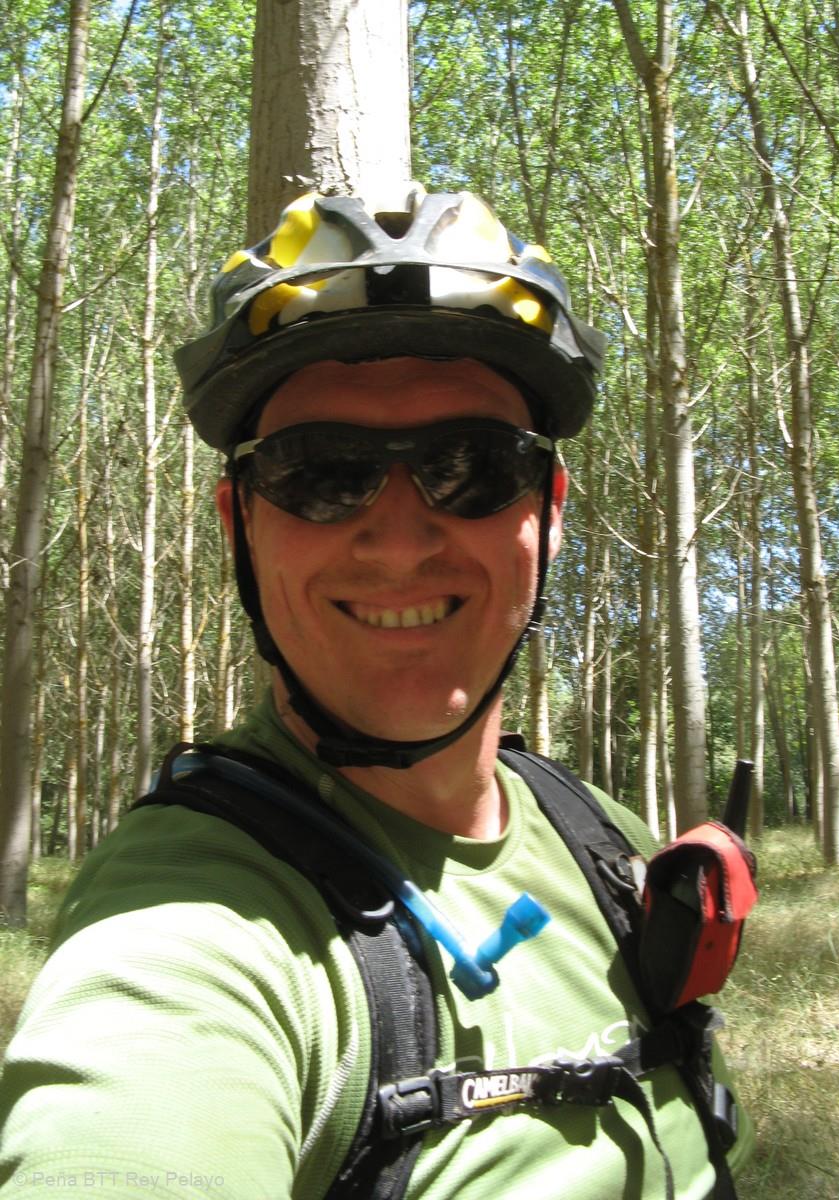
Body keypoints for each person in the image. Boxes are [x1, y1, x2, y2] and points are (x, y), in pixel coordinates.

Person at [0, 186, 753, 1198]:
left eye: (471, 466)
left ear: (549, 513)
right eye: (321, 472)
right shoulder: (191, 924)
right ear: (240, 525)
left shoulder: (600, 834)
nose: (399, 544)